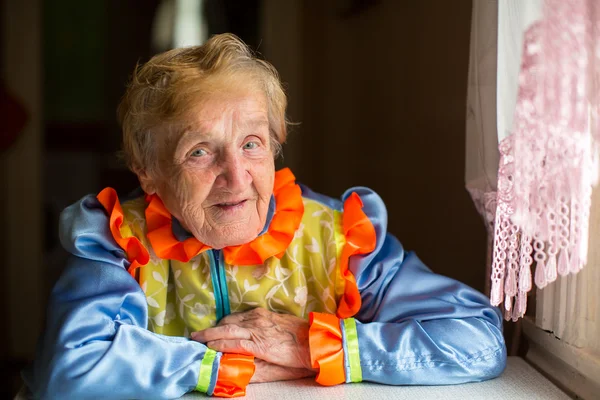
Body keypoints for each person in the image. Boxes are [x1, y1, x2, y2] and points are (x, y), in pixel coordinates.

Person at [23, 33, 506, 399]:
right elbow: (70, 369)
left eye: (251, 144)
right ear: (147, 172)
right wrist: (219, 365)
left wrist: (318, 346)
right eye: (199, 152)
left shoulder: (341, 238)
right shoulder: (117, 240)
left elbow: (477, 341)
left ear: (275, 146)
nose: (236, 176)